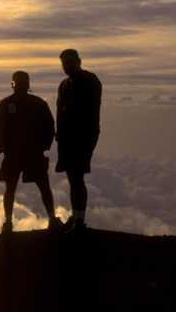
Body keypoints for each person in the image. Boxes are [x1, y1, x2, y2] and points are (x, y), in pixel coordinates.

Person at [0, 70, 62, 234]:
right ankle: (51, 219)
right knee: (42, 187)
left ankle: (8, 223)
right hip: (29, 154)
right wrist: (43, 147)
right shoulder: (37, 103)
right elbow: (50, 127)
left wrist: (4, 148)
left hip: (19, 154)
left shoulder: (7, 104)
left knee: (13, 188)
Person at [56, 49, 102, 233]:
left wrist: (88, 138)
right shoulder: (64, 85)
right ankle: (76, 216)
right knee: (73, 177)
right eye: (64, 63)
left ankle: (80, 221)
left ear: (78, 61)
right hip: (67, 138)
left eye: (70, 62)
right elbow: (61, 111)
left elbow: (89, 111)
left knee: (76, 177)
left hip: (82, 137)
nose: (67, 66)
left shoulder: (90, 80)